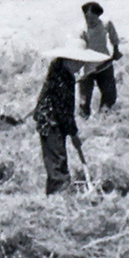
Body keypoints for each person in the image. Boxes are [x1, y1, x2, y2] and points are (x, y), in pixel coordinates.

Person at [35, 48, 105, 194]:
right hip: (50, 122)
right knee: (57, 164)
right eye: (78, 62)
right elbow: (64, 111)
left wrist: (72, 132)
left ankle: (54, 195)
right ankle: (59, 197)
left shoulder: (60, 69)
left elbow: (66, 111)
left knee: (56, 161)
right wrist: (73, 134)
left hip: (53, 120)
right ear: (70, 60)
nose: (80, 66)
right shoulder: (62, 78)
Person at [76, 1, 122, 117]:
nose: (89, 21)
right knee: (84, 99)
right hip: (87, 68)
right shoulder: (81, 30)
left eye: (92, 18)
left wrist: (116, 51)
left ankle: (103, 117)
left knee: (109, 95)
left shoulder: (106, 24)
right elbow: (78, 49)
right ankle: (84, 120)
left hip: (104, 64)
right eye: (86, 18)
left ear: (98, 16)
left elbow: (114, 38)